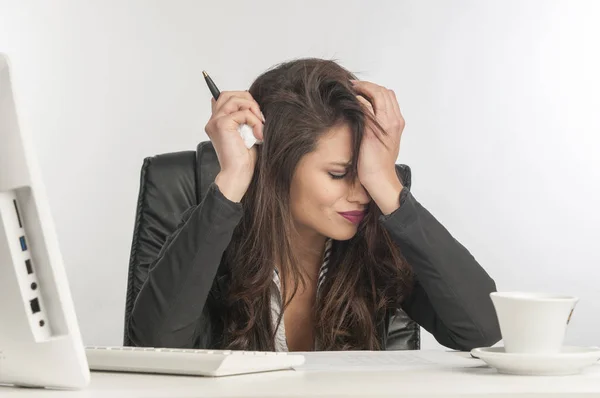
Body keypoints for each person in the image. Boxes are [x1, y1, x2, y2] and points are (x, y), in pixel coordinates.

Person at [128, 58, 501, 352]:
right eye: (339, 174)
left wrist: (388, 185)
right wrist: (230, 183)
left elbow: (484, 330)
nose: (360, 193)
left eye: (365, 173)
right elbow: (150, 349)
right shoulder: (216, 231)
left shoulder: (376, 232)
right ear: (278, 167)